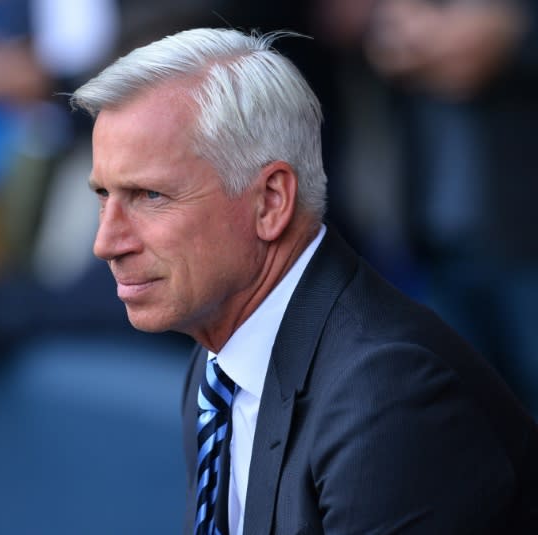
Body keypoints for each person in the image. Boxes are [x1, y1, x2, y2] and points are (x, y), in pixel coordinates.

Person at [69, 27, 538, 534]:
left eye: (149, 196)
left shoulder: (386, 395)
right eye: (103, 195)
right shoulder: (216, 366)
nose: (106, 242)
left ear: (271, 201)